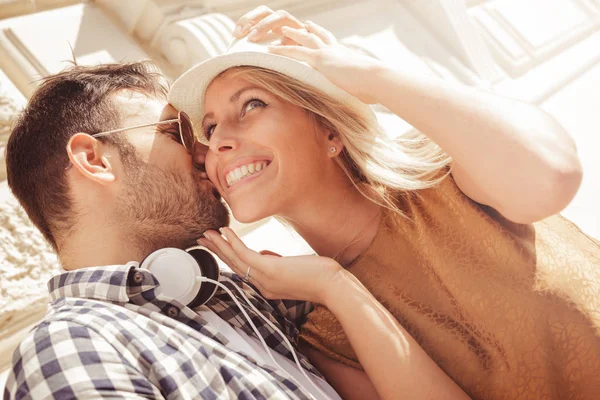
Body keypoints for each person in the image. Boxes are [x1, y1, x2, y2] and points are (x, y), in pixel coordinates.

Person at [168, 7, 600, 400]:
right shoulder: (325, 333)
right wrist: (334, 286)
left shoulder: (443, 171)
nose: (219, 140)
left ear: (331, 132)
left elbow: (552, 173)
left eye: (251, 104)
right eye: (210, 128)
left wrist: (370, 74)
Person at [3, 61, 466, 400]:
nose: (204, 154)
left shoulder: (248, 295)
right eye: (174, 134)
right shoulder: (71, 349)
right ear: (94, 160)